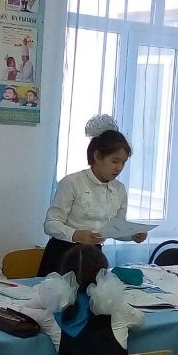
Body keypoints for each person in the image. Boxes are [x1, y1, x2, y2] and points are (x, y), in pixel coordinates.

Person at [38, 115, 147, 276]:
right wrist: (76, 234)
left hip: (93, 257)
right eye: (115, 161)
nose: (119, 168)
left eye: (123, 162)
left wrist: (132, 234)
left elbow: (116, 228)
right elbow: (51, 224)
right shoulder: (72, 182)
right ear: (97, 156)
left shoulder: (119, 189)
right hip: (62, 254)